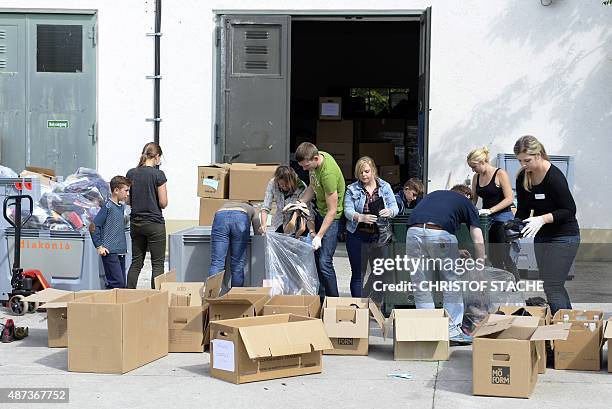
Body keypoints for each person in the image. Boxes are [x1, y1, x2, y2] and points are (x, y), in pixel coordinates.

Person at [406, 184, 485, 344]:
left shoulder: (435, 195)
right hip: (439, 234)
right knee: (452, 283)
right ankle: (452, 331)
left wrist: (454, 250)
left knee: (421, 284)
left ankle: (428, 331)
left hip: (413, 233)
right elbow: (477, 237)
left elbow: (427, 231)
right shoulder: (466, 202)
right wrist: (480, 264)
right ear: (467, 195)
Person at [514, 135, 579, 315]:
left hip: (564, 236)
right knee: (551, 284)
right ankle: (567, 324)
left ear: (539, 154)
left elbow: (569, 210)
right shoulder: (523, 177)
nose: (523, 165)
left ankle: (563, 331)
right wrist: (515, 225)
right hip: (543, 236)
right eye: (520, 161)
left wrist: (542, 219)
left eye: (527, 160)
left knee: (553, 284)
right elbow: (524, 209)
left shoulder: (554, 177)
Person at [296, 142, 345, 298]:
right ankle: (322, 300)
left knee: (324, 263)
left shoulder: (328, 174)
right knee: (317, 262)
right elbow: (312, 185)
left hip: (331, 219)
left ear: (316, 158)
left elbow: (332, 210)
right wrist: (301, 201)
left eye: (306, 166)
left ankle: (334, 302)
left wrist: (319, 236)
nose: (304, 169)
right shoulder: (315, 161)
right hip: (319, 213)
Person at [344, 157, 399, 297]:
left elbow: (395, 207)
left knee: (380, 272)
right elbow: (347, 210)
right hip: (357, 234)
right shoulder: (352, 189)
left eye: (367, 171)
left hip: (379, 235)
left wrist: (390, 211)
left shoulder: (385, 187)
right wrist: (361, 217)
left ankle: (375, 306)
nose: (364, 175)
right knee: (358, 273)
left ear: (373, 170)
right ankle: (358, 307)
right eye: (361, 172)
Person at [467, 146, 518, 280]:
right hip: (486, 220)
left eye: (474, 166)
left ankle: (515, 286)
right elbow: (474, 199)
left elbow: (509, 198)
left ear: (482, 162)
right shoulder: (476, 177)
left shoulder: (500, 174)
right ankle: (499, 285)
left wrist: (490, 210)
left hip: (502, 219)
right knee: (492, 256)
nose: (473, 170)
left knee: (504, 255)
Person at [126, 142, 168, 289]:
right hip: (154, 224)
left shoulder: (131, 173)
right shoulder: (158, 174)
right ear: (156, 156)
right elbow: (163, 203)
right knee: (157, 264)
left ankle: (127, 295)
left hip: (136, 223)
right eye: (159, 158)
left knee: (136, 262)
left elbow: (128, 200)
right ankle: (156, 299)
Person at [208, 201, 262, 287]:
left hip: (220, 216)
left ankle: (212, 295)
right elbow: (258, 232)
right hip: (240, 218)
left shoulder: (226, 204)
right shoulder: (252, 209)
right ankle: (235, 295)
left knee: (217, 262)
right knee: (237, 264)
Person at [91, 176, 131, 289]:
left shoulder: (121, 207)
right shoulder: (108, 207)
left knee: (121, 285)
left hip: (120, 251)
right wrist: (99, 246)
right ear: (116, 190)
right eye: (126, 190)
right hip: (110, 251)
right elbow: (94, 226)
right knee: (117, 283)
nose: (127, 194)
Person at [260, 165, 313, 235]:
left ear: (292, 180)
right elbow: (266, 206)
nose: (284, 187)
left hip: (297, 224)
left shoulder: (301, 187)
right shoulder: (273, 183)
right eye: (281, 185)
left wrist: (293, 221)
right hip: (279, 221)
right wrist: (263, 224)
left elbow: (305, 210)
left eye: (287, 184)